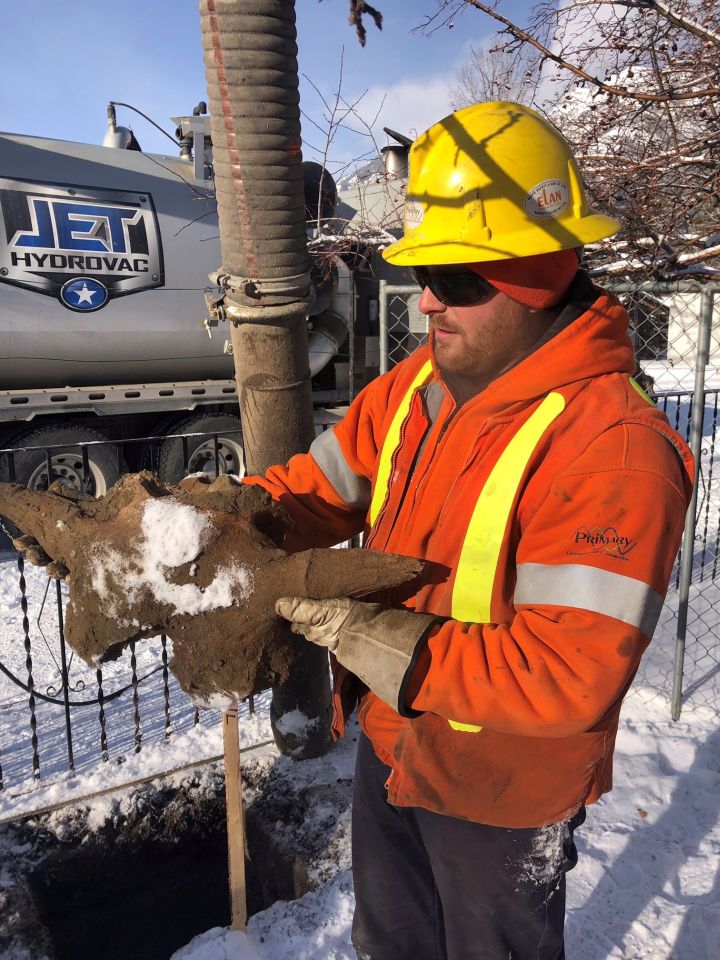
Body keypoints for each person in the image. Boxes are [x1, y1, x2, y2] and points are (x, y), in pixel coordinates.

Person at [247, 102, 694, 960]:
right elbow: (315, 489)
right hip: (393, 742)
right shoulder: (421, 384)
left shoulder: (616, 450)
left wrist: (367, 633)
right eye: (425, 276)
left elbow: (567, 675)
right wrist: (220, 520)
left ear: (532, 277)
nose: (425, 305)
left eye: (453, 281)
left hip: (502, 791)